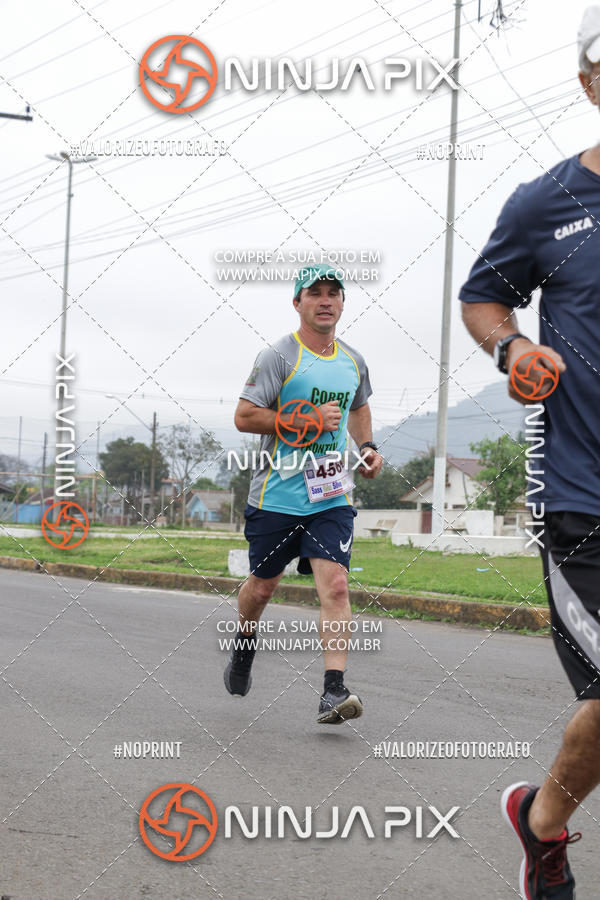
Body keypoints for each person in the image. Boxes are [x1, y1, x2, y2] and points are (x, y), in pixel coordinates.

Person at [459, 8, 600, 897]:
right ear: (591, 83)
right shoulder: (545, 201)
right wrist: (512, 350)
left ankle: (539, 819)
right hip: (585, 494)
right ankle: (544, 817)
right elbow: (484, 298)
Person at [224, 263, 383, 724]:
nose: (326, 300)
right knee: (262, 587)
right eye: (315, 293)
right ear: (298, 303)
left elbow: (359, 407)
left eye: (334, 293)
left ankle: (333, 691)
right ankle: (245, 640)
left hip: (331, 496)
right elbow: (244, 416)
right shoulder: (278, 356)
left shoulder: (353, 360)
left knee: (335, 585)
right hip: (276, 496)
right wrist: (307, 422)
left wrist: (367, 447)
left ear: (341, 304)